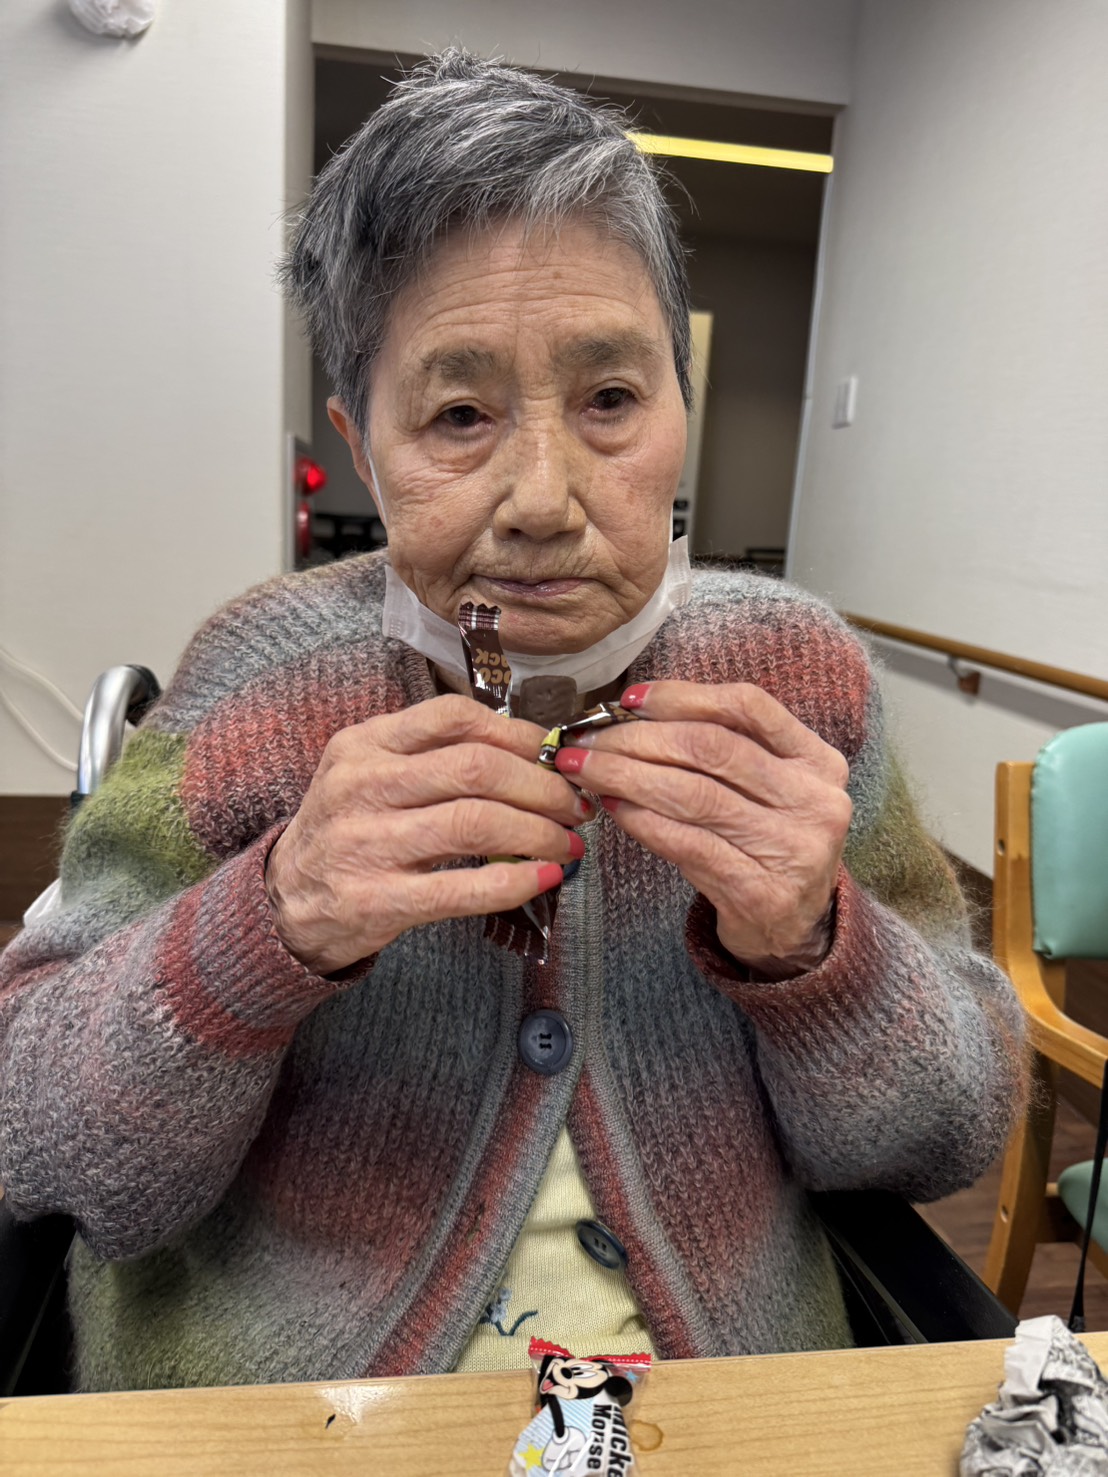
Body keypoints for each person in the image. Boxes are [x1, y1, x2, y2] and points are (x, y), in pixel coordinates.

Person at [0, 51, 1025, 1392]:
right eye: (460, 414)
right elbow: (41, 1143)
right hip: (301, 1412)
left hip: (729, 1403)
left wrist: (817, 948)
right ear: (361, 443)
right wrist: (270, 922)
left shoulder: (800, 680)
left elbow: (948, 1139)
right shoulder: (253, 683)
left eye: (611, 401)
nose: (544, 499)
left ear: (681, 403)